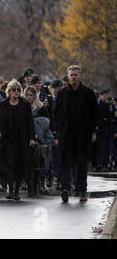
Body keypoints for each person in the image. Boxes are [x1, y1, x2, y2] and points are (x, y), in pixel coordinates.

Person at [53, 65, 99, 203]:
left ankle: (82, 190)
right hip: (66, 134)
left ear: (80, 76)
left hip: (82, 134)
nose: (73, 77)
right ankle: (66, 188)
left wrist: (94, 131)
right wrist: (57, 131)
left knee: (81, 163)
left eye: (76, 74)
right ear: (68, 76)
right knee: (65, 162)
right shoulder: (61, 94)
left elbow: (95, 113)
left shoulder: (88, 93)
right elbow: (55, 113)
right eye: (71, 74)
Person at [0, 79, 36, 201]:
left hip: (21, 140)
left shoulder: (25, 105)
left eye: (18, 90)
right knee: (9, 164)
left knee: (19, 165)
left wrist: (32, 138)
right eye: (13, 90)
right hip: (6, 140)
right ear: (9, 91)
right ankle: (10, 188)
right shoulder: (2, 104)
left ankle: (16, 190)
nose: (16, 92)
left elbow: (30, 123)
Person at [23, 86, 53, 196]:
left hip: (40, 140)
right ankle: (29, 184)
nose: (28, 97)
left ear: (35, 96)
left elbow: (47, 122)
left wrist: (36, 123)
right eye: (26, 95)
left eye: (31, 95)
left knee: (40, 162)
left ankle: (41, 183)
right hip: (26, 139)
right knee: (28, 163)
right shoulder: (23, 106)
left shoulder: (41, 107)